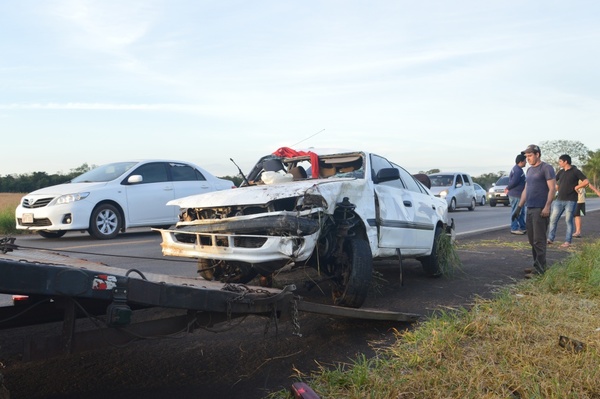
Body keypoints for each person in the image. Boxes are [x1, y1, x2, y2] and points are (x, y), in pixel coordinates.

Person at [513, 144, 556, 278]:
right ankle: (536, 265)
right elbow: (526, 189)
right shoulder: (530, 171)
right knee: (532, 240)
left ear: (537, 154)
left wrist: (547, 206)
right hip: (530, 208)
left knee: (539, 240)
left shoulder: (546, 168)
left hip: (540, 209)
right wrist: (519, 207)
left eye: (530, 155)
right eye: (526, 156)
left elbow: (552, 189)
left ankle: (540, 270)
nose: (528, 159)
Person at [546, 155, 589, 248]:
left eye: (560, 161)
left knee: (568, 221)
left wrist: (577, 187)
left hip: (571, 201)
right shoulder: (561, 172)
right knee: (553, 220)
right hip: (559, 200)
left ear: (566, 162)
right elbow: (554, 182)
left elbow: (586, 181)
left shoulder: (575, 171)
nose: (559, 163)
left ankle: (567, 241)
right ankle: (550, 238)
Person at [506, 153, 527, 234]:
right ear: (521, 162)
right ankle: (514, 228)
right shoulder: (518, 170)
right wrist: (508, 187)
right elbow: (514, 181)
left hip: (519, 194)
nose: (526, 162)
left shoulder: (517, 169)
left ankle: (523, 227)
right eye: (525, 161)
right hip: (516, 194)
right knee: (516, 211)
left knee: (521, 212)